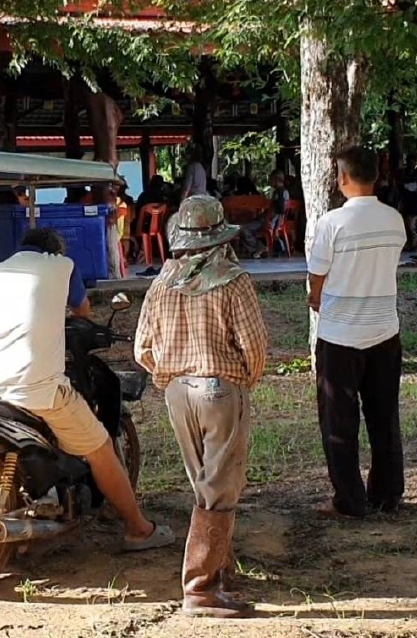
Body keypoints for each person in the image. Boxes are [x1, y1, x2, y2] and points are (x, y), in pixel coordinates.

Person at [0, 228, 175, 553]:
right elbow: (83, 311)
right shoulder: (62, 267)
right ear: (55, 252)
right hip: (36, 388)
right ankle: (138, 529)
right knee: (100, 446)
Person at [135, 196, 268, 619]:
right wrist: (241, 381)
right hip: (219, 389)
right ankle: (201, 588)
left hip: (177, 392)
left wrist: (169, 376)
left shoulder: (161, 282)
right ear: (219, 237)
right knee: (221, 488)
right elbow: (255, 346)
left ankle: (218, 570)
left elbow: (142, 349)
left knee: (204, 484)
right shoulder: (233, 280)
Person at [307, 146, 407, 520]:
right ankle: (387, 493)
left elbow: (317, 276)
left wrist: (315, 298)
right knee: (384, 416)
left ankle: (349, 498)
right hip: (384, 330)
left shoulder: (332, 223)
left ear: (343, 178)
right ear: (376, 176)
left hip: (340, 335)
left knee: (339, 420)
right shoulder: (394, 219)